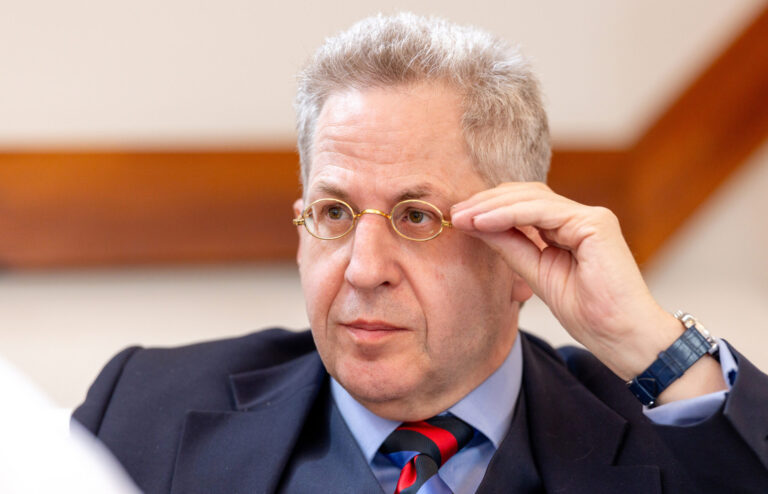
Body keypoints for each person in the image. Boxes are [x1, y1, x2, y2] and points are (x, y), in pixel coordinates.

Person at [73, 13, 768, 493]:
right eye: (335, 213)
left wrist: (647, 342)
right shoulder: (142, 410)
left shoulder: (668, 440)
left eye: (416, 215)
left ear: (523, 244)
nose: (363, 267)